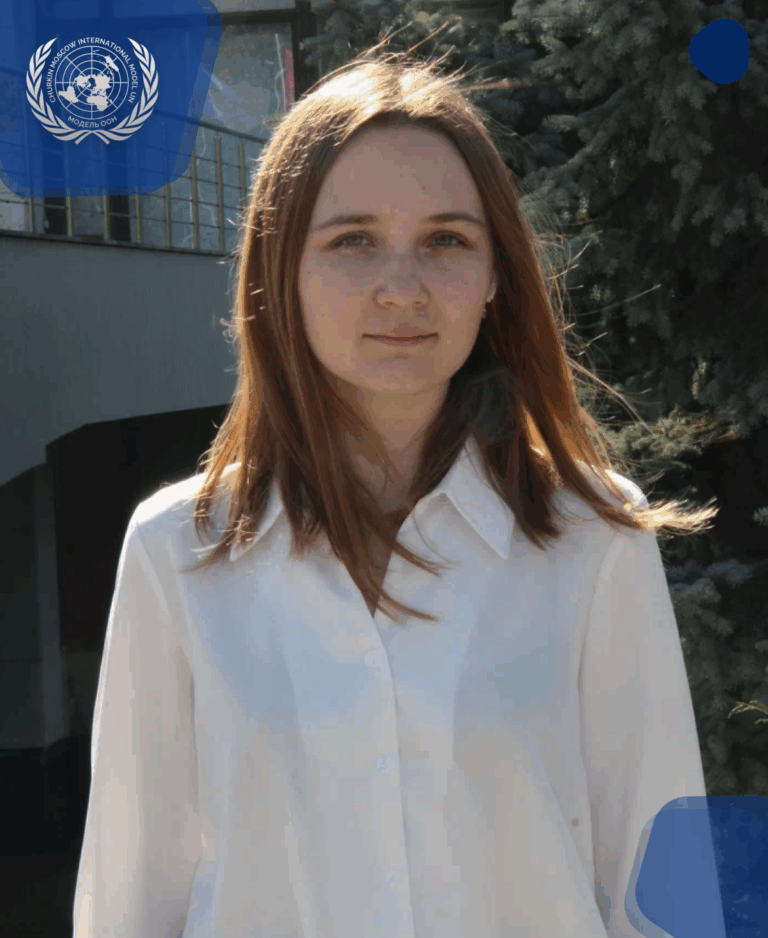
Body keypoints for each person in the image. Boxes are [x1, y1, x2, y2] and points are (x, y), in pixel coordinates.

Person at [73, 36, 724, 938]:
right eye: (354, 241)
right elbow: (129, 897)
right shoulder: (175, 551)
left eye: (446, 240)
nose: (403, 286)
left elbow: (664, 889)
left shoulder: (596, 534)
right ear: (279, 270)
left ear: (494, 275)